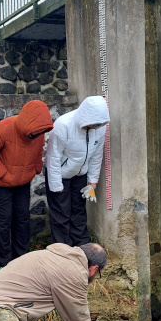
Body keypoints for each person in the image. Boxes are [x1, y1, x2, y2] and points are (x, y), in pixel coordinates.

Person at [0, 100, 54, 268]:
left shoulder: (39, 132)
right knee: (2, 220)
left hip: (23, 180)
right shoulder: (4, 128)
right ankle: (1, 262)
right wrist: (4, 174)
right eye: (38, 130)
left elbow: (39, 149)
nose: (40, 133)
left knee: (22, 219)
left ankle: (21, 259)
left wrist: (36, 168)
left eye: (43, 130)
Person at [44, 95, 110, 246]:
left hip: (80, 174)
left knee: (79, 212)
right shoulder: (63, 125)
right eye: (92, 124)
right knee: (61, 215)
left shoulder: (99, 128)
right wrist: (56, 185)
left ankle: (82, 249)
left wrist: (92, 182)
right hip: (60, 174)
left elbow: (97, 155)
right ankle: (61, 252)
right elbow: (53, 157)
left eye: (97, 125)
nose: (94, 127)